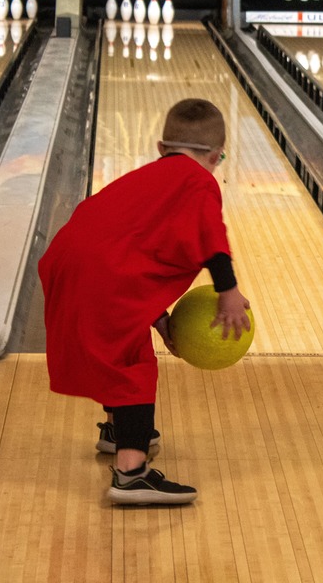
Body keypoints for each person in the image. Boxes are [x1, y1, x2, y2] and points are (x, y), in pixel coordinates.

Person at [38, 98, 252, 505]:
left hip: (71, 260)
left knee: (117, 347)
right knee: (132, 366)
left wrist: (157, 317)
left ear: (161, 148)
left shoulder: (150, 179)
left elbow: (135, 255)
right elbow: (211, 238)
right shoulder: (198, 181)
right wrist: (228, 292)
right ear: (215, 155)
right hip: (103, 274)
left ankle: (118, 430)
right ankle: (131, 474)